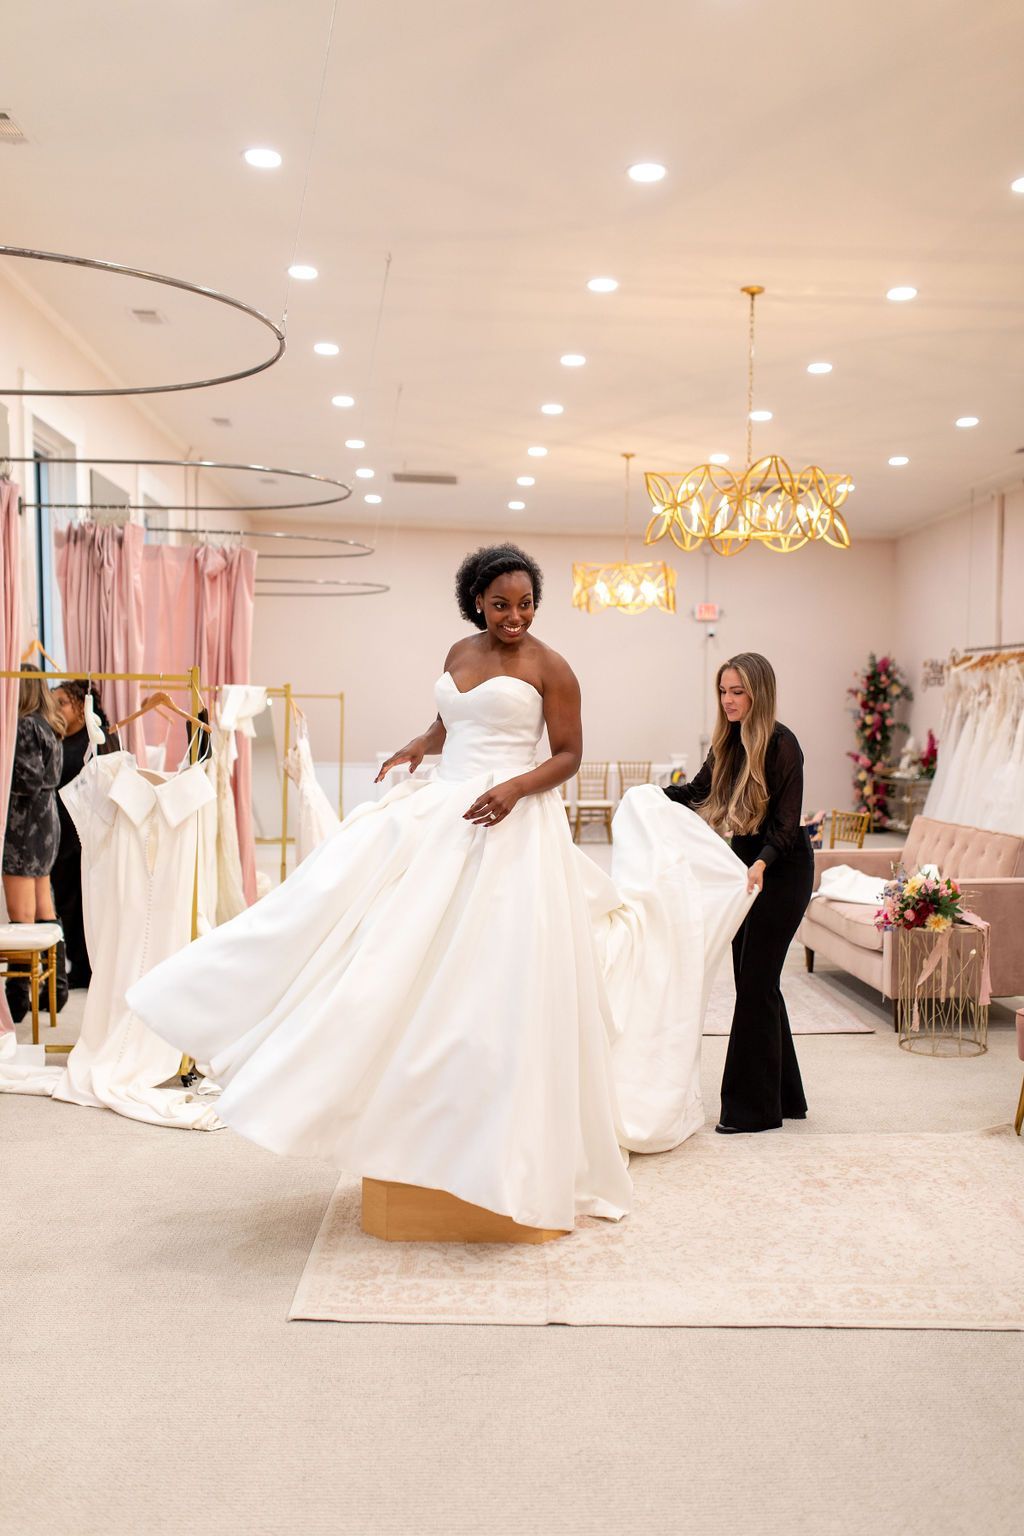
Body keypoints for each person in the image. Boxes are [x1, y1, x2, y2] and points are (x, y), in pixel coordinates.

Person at [127, 545, 753, 1231]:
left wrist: (514, 787)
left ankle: (492, 1140)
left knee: (486, 965)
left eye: (525, 604)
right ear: (476, 602)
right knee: (350, 914)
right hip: (443, 803)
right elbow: (453, 721)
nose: (514, 616)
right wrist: (417, 746)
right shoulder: (459, 649)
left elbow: (570, 754)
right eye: (500, 604)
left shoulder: (552, 666)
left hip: (510, 819)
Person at [665, 652, 812, 1134]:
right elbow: (699, 791)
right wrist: (653, 796)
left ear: (759, 693)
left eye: (738, 692)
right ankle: (786, 1096)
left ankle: (753, 1111)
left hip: (782, 869)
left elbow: (788, 824)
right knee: (757, 981)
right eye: (723, 691)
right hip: (742, 872)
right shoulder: (727, 741)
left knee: (753, 984)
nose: (728, 701)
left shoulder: (783, 744)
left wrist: (763, 862)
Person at [3, 669, 67, 1019]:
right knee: (44, 905)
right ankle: (54, 988)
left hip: (24, 824)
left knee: (21, 916)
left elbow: (26, 780)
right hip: (44, 821)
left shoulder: (26, 726)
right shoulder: (49, 725)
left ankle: (18, 996)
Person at [50, 681, 116, 989]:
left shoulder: (98, 740)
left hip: (89, 836)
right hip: (60, 836)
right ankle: (78, 964)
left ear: (81, 705)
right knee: (66, 904)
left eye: (62, 702)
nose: (57, 710)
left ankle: (92, 966)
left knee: (89, 902)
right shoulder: (56, 739)